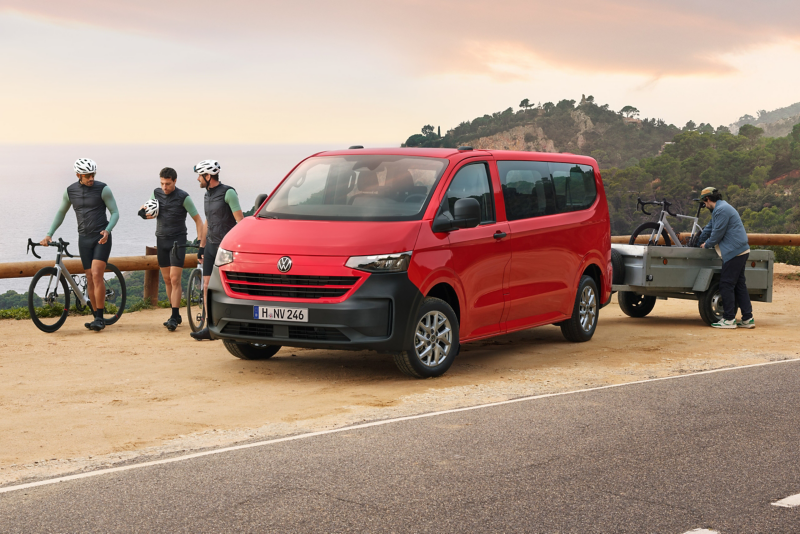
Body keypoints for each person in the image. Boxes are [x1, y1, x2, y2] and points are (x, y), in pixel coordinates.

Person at [40, 158, 120, 331]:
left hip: (101, 237)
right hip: (83, 239)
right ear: (78, 175)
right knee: (90, 277)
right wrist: (49, 234)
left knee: (97, 274)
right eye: (87, 175)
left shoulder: (103, 189)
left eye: (93, 174)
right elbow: (61, 212)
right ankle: (95, 316)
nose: (91, 178)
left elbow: (114, 213)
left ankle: (100, 318)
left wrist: (108, 230)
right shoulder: (70, 191)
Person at [142, 167, 204, 332]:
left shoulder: (184, 197)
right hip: (161, 240)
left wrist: (200, 240)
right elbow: (149, 210)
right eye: (162, 183)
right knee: (167, 280)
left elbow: (198, 220)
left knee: (175, 279)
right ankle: (174, 314)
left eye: (167, 184)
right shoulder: (156, 193)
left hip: (178, 241)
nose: (164, 187)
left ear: (175, 181)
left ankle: (174, 316)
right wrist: (143, 213)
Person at [190, 160, 244, 340]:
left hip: (226, 249)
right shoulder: (207, 195)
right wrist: (201, 246)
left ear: (208, 176)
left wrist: (238, 248)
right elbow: (207, 222)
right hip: (211, 246)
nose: (198, 179)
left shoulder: (228, 193)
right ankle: (209, 327)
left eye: (200, 175)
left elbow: (240, 222)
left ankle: (236, 324)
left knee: (230, 286)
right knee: (206, 286)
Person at [697, 186, 755, 329]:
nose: (704, 206)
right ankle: (748, 318)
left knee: (726, 284)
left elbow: (717, 233)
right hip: (741, 250)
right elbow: (709, 228)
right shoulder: (720, 209)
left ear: (707, 199)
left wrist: (707, 245)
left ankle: (729, 319)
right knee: (740, 285)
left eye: (704, 203)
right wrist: (698, 240)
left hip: (734, 252)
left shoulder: (721, 210)